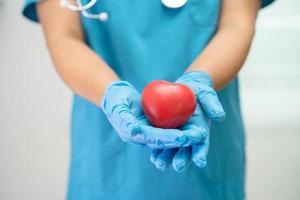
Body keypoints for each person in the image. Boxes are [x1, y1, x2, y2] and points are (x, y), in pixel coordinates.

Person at [22, 0, 275, 199]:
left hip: (207, 148)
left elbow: (236, 23)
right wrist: (110, 93)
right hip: (105, 154)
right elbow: (63, 37)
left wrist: (200, 79)